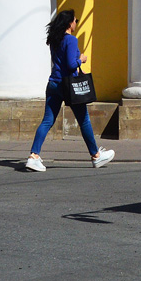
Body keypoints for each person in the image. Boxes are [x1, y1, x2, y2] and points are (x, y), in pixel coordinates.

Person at [25, 9, 114, 172]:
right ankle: (96, 156)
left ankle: (33, 156)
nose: (76, 23)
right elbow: (71, 65)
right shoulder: (71, 40)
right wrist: (82, 59)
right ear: (69, 23)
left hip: (53, 84)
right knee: (84, 121)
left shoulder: (54, 40)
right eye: (75, 20)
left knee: (47, 121)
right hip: (68, 86)